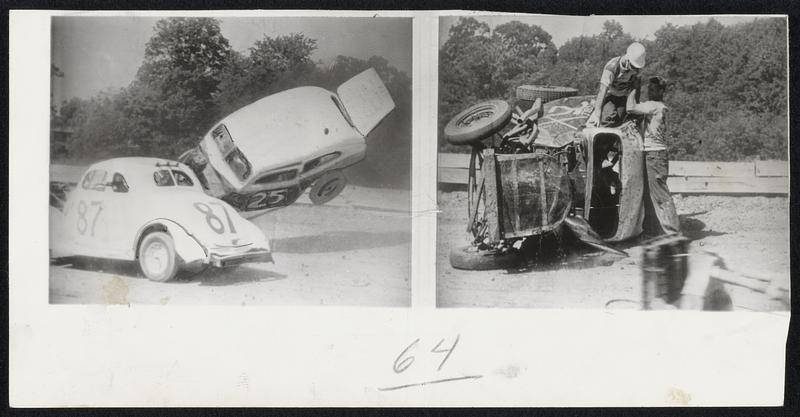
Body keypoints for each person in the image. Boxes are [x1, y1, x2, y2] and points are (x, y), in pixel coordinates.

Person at [625, 75, 680, 234]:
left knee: (660, 195)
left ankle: (673, 233)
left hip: (654, 154)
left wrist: (634, 88)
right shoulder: (657, 106)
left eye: (654, 88)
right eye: (650, 88)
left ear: (662, 91)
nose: (651, 90)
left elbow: (630, 108)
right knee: (651, 195)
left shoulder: (654, 105)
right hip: (655, 154)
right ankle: (655, 230)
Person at [586, 42, 646, 128]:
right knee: (609, 118)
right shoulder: (612, 67)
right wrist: (597, 114)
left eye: (637, 68)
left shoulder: (636, 70)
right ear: (627, 59)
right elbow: (602, 90)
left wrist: (635, 107)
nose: (635, 70)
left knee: (623, 120)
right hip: (609, 96)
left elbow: (636, 90)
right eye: (633, 67)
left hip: (623, 97)